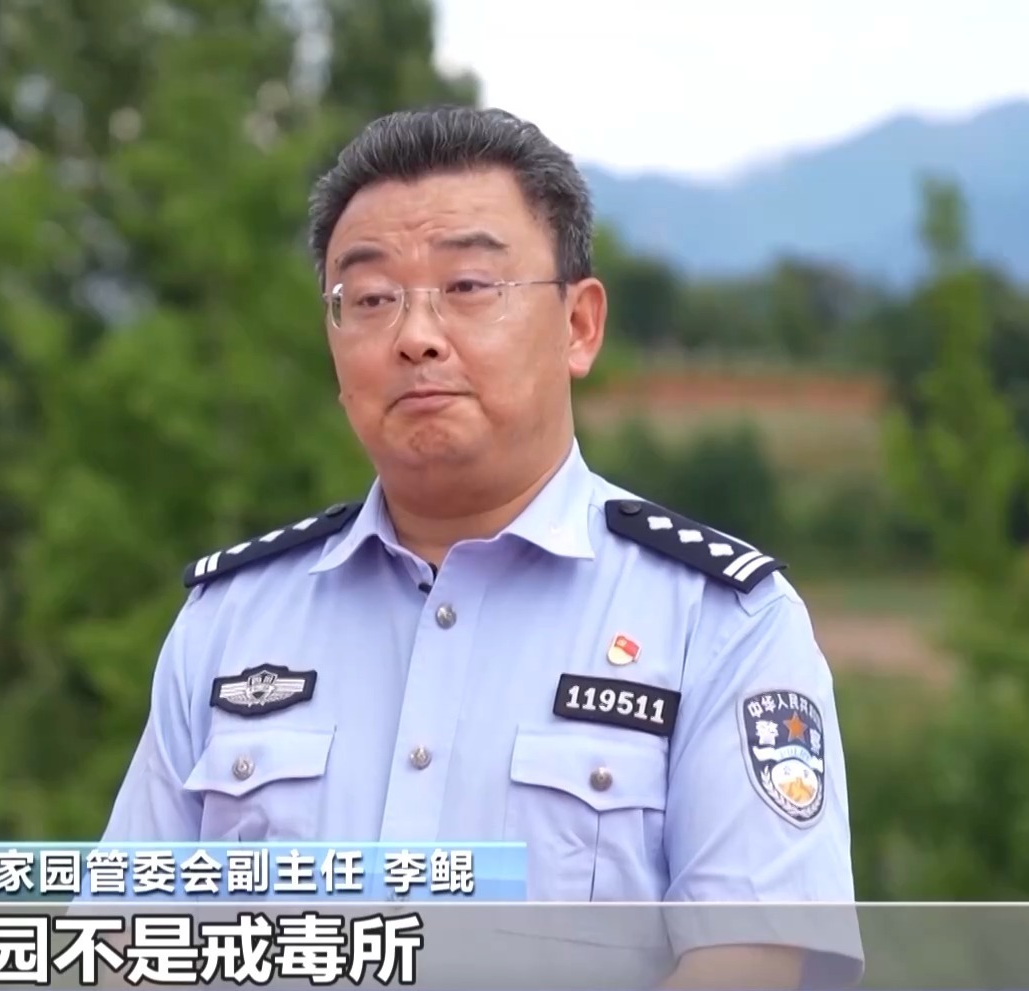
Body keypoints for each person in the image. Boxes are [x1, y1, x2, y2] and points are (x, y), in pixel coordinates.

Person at [99, 106, 862, 988]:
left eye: (468, 286)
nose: (415, 335)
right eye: (371, 299)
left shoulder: (721, 624)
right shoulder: (231, 622)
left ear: (579, 325)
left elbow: (748, 966)